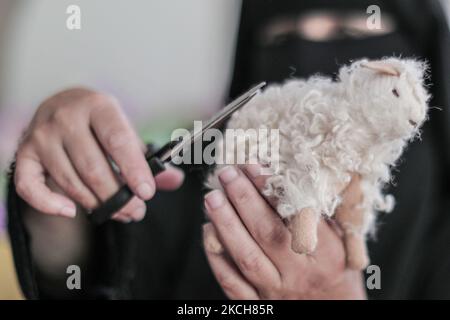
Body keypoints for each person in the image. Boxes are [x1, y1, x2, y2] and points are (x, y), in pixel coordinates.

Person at [7, 0, 450, 299]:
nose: (306, 50)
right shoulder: (197, 174)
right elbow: (89, 270)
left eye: (348, 29)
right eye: (279, 37)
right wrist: (59, 187)